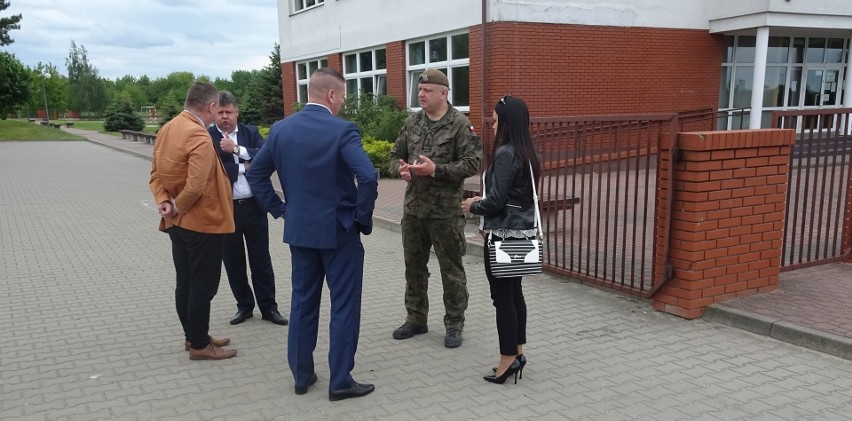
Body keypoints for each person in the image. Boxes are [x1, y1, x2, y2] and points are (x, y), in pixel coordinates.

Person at [247, 67, 378, 401]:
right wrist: (361, 219)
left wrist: (280, 209)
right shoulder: (342, 130)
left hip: (301, 232)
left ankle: (302, 376)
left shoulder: (280, 130)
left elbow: (257, 175)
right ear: (332, 95)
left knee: (303, 303)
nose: (344, 103)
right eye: (344, 96)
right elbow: (368, 177)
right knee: (344, 306)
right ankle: (340, 381)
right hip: (339, 232)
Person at [389, 68, 482, 348]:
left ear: (443, 93)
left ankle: (454, 324)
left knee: (451, 270)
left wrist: (436, 170)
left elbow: (473, 163)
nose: (421, 94)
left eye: (427, 90)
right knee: (414, 268)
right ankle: (416, 318)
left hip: (445, 213)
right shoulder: (412, 122)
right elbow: (395, 155)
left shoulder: (459, 124)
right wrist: (401, 170)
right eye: (419, 90)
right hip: (414, 211)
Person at [149, 81, 237, 361]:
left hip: (178, 225)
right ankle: (200, 345)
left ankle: (193, 336)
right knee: (203, 286)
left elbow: (156, 174)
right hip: (202, 224)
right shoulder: (198, 135)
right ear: (211, 107)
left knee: (185, 282)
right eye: (216, 110)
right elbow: (196, 186)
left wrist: (164, 201)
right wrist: (177, 207)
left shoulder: (167, 128)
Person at [461, 95, 541, 384]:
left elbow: (495, 202)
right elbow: (514, 196)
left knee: (502, 299)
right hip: (524, 231)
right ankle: (517, 352)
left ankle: (507, 358)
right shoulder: (528, 152)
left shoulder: (507, 153)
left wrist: (473, 205)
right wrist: (489, 200)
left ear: (506, 122)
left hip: (504, 233)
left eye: (494, 121)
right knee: (514, 293)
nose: (492, 127)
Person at [208, 91, 288, 327]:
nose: (224, 117)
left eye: (229, 112)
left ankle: (269, 308)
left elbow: (266, 155)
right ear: (214, 113)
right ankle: (244, 306)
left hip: (254, 207)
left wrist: (237, 150)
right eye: (220, 113)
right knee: (233, 262)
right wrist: (246, 167)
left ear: (236, 111)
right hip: (226, 209)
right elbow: (213, 170)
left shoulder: (250, 133)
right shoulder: (207, 136)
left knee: (261, 260)